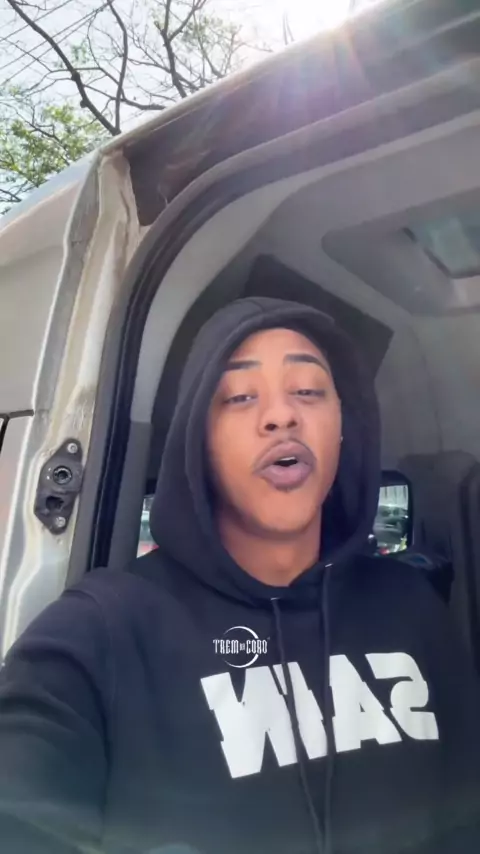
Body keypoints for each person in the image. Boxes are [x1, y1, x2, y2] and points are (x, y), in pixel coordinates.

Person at [0, 296, 480, 854]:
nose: (281, 416)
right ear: (198, 441)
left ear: (342, 430)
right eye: (240, 397)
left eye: (308, 391)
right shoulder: (98, 632)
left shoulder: (412, 607)